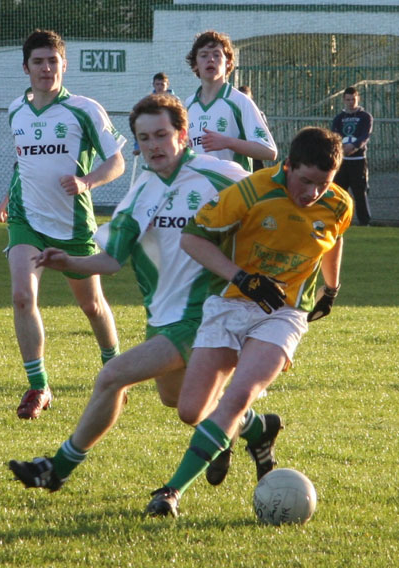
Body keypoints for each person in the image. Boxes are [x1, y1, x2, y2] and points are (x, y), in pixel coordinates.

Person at [8, 93, 249, 491]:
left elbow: (271, 196)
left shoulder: (221, 175)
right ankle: (253, 427)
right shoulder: (141, 194)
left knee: (113, 375)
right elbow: (111, 260)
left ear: (182, 135)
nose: (153, 145)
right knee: (180, 403)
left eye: (161, 135)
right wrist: (69, 262)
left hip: (210, 315)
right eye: (144, 138)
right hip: (162, 320)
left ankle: (56, 468)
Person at [145, 127, 353, 518]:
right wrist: (241, 277)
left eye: (323, 185)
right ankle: (257, 430)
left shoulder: (339, 204)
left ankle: (171, 492)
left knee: (237, 397)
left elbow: (335, 236)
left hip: (284, 312)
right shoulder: (251, 190)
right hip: (230, 302)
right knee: (191, 409)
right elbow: (193, 238)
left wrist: (332, 287)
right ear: (287, 166)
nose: (312, 193)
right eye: (305, 181)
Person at [0, 29, 126, 420]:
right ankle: (39, 387)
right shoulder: (16, 109)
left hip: (71, 225)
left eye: (53, 61)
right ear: (25, 67)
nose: (46, 68)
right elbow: (24, 163)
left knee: (92, 306)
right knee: (22, 297)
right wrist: (6, 197)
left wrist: (87, 181)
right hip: (25, 219)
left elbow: (117, 160)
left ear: (64, 65)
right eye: (38, 61)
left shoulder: (84, 108)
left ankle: (114, 373)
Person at [185, 30, 277, 172]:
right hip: (198, 191)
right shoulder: (188, 105)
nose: (210, 59)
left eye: (217, 55)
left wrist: (227, 142)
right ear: (195, 64)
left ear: (228, 63)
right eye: (204, 55)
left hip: (232, 190)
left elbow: (269, 151)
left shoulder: (240, 102)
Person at [331, 86, 373, 226]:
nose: (350, 102)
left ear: (358, 98)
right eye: (348, 99)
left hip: (358, 160)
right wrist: (341, 148)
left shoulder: (365, 116)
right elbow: (334, 135)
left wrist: (354, 146)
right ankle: (337, 221)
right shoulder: (339, 118)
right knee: (338, 192)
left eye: (353, 99)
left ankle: (364, 222)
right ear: (343, 100)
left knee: (360, 192)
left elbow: (365, 135)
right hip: (342, 162)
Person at [132, 72, 176, 156]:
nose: (159, 87)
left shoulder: (175, 101)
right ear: (153, 85)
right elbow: (140, 123)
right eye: (157, 84)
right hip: (154, 137)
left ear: (167, 85)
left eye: (162, 84)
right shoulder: (148, 102)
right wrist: (137, 146)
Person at [237, 85, 269, 172]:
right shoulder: (232, 113)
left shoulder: (259, 114)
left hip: (254, 153)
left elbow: (264, 135)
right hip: (238, 152)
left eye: (248, 99)